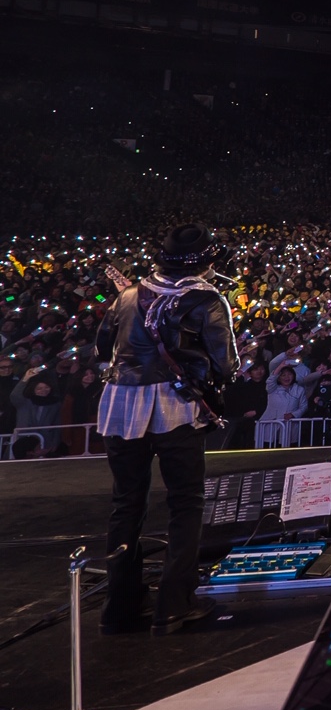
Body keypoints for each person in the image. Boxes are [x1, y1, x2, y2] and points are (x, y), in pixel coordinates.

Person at [94, 225, 235, 635]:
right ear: (207, 262)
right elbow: (227, 364)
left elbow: (105, 349)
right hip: (175, 408)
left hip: (120, 405)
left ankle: (119, 608)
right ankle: (175, 605)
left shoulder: (128, 295)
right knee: (186, 503)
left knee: (126, 504)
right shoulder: (207, 299)